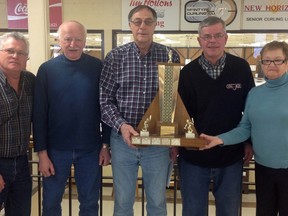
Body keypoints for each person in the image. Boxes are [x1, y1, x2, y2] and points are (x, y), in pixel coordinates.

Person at [100, 5, 180, 216]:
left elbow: (171, 105)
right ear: (130, 26)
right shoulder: (115, 57)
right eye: (137, 22)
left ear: (155, 25)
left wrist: (172, 141)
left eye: (147, 21)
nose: (142, 26)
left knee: (157, 203)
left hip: (157, 145)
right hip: (123, 143)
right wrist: (122, 126)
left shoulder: (170, 56)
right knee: (123, 203)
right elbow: (105, 101)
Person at [178, 16, 255, 216]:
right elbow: (180, 116)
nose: (212, 40)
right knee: (193, 211)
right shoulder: (188, 73)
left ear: (226, 38)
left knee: (229, 212)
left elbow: (250, 111)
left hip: (231, 155)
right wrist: (175, 144)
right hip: (194, 157)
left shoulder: (241, 68)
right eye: (207, 36)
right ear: (199, 40)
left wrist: (249, 142)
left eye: (218, 35)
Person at [201, 40, 288, 216]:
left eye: (278, 60)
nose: (272, 65)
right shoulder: (255, 94)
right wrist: (220, 139)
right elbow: (245, 128)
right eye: (267, 60)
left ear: (287, 62)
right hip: (264, 167)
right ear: (261, 64)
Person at [33, 20, 111, 216]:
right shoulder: (46, 70)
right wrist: (41, 154)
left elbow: (107, 108)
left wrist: (105, 145)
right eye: (67, 39)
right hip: (55, 150)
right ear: (58, 40)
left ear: (85, 41)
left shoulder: (97, 67)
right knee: (50, 203)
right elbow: (39, 114)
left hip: (90, 150)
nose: (73, 44)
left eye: (78, 39)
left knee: (90, 203)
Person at [0, 32, 34, 216]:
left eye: (21, 53)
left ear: (27, 58)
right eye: (10, 50)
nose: (15, 56)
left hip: (21, 163)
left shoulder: (30, 81)